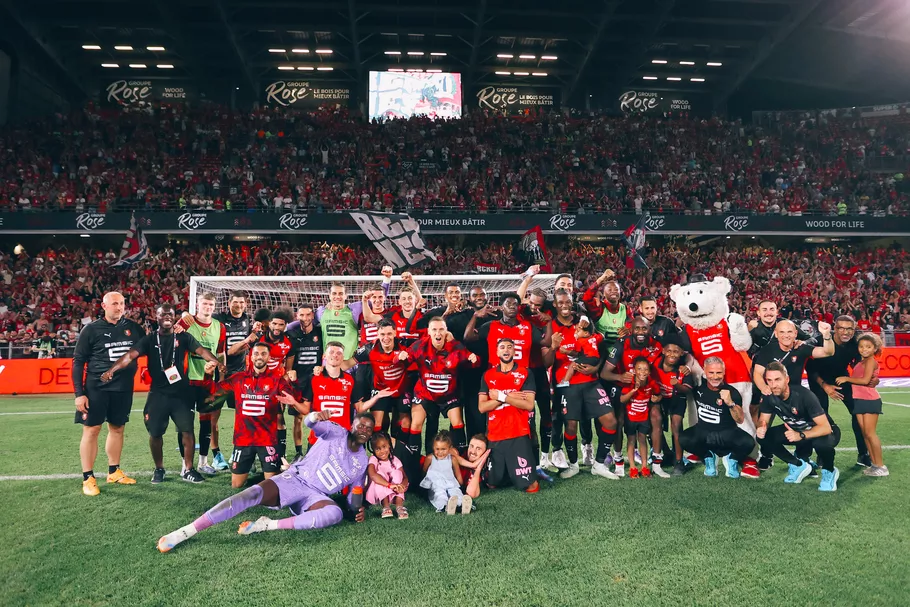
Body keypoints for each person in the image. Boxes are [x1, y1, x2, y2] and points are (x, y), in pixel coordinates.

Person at [157, 410, 375, 553]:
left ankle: (267, 524)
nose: (364, 430)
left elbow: (354, 492)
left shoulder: (362, 461)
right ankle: (187, 531)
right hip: (295, 479)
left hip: (315, 497)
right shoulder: (336, 431)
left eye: (369, 428)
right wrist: (316, 416)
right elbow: (310, 422)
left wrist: (356, 509)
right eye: (361, 426)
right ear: (352, 425)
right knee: (251, 494)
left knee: (334, 514)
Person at [101, 304, 224, 484]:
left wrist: (217, 362)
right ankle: (159, 469)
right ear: (156, 317)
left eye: (170, 314)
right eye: (162, 314)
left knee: (187, 431)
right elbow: (129, 356)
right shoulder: (149, 339)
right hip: (158, 394)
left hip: (181, 394)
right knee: (155, 433)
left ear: (174, 318)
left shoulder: (183, 336)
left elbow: (202, 351)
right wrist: (112, 370)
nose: (167, 317)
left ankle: (189, 469)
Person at [72, 291, 146, 496]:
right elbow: (78, 362)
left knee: (117, 428)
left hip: (123, 389)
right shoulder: (91, 329)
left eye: (122, 303)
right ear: (104, 306)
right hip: (96, 389)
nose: (119, 307)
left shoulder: (133, 328)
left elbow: (152, 344)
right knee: (92, 430)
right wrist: (79, 394)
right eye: (114, 304)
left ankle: (114, 471)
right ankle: (88, 478)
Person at [203, 342, 299, 488]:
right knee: (236, 485)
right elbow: (214, 391)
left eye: (263, 354)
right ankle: (260, 479)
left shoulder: (277, 380)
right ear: (251, 357)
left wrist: (294, 382)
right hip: (243, 439)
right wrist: (208, 375)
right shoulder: (239, 378)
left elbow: (295, 399)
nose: (259, 357)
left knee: (272, 485)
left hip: (267, 440)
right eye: (256, 354)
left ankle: (266, 477)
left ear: (269, 357)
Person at [546, 290, 619, 480]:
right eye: (560, 302)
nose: (565, 305)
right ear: (555, 305)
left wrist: (596, 368)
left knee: (610, 421)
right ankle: (573, 465)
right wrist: (554, 347)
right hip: (568, 385)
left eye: (568, 302)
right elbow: (546, 359)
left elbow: (602, 350)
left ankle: (599, 464)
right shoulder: (551, 326)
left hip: (592, 382)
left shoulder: (584, 323)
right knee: (571, 426)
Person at [752, 319, 834, 470]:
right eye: (782, 332)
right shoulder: (768, 350)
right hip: (773, 394)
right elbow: (757, 373)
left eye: (790, 332)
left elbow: (827, 351)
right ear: (776, 334)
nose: (786, 335)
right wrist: (764, 388)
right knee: (764, 428)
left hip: (795, 396)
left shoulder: (801, 348)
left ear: (796, 333)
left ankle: (803, 458)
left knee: (803, 425)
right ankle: (768, 456)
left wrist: (827, 335)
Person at [757, 362, 841, 491]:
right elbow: (763, 419)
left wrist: (800, 435)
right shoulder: (769, 396)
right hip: (798, 430)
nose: (773, 385)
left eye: (777, 379)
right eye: (769, 380)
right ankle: (798, 465)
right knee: (763, 437)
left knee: (821, 444)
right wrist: (762, 427)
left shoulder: (804, 395)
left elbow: (825, 428)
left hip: (824, 431)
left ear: (787, 379)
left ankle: (829, 471)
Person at [400, 317, 479, 455]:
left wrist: (474, 359)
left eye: (441, 329)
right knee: (416, 423)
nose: (438, 333)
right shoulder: (420, 346)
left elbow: (474, 362)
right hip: (425, 394)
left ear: (446, 331)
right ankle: (414, 461)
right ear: (428, 331)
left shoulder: (455, 347)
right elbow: (403, 360)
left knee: (458, 423)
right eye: (434, 329)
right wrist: (401, 356)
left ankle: (460, 457)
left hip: (449, 395)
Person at [806, 316, 874, 467]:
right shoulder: (820, 340)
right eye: (841, 328)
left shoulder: (856, 343)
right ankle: (822, 455)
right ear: (834, 329)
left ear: (854, 330)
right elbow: (810, 369)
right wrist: (825, 386)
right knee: (821, 417)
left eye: (849, 329)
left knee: (858, 412)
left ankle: (863, 454)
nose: (845, 332)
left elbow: (862, 363)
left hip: (841, 378)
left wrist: (871, 378)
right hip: (818, 381)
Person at [600, 316, 662, 473]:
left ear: (650, 329)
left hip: (646, 390)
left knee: (656, 416)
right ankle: (619, 460)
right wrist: (620, 377)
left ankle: (656, 463)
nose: (641, 332)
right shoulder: (621, 344)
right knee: (619, 420)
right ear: (631, 330)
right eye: (637, 328)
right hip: (624, 389)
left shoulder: (656, 345)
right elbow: (604, 373)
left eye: (644, 328)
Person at [477, 338, 540, 493]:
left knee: (531, 487)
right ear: (497, 352)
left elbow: (529, 405)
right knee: (492, 484)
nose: (506, 350)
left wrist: (502, 396)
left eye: (509, 347)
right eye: (502, 347)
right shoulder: (488, 375)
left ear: (514, 351)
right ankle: (508, 472)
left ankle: (515, 471)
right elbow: (482, 407)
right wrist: (508, 397)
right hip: (495, 434)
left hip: (518, 433)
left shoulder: (525, 373)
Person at [679, 357, 755, 479]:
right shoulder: (698, 387)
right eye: (711, 372)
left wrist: (730, 403)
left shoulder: (732, 392)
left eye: (719, 372)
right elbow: (684, 373)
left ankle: (731, 459)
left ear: (724, 372)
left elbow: (740, 420)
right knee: (683, 438)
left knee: (748, 443)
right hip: (703, 431)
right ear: (704, 371)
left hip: (727, 433)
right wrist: (682, 368)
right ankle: (708, 456)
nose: (715, 377)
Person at [178, 292, 227, 475]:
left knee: (206, 423)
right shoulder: (187, 322)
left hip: (207, 382)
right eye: (204, 303)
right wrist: (183, 316)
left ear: (214, 307)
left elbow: (220, 353)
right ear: (197, 305)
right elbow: (171, 336)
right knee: (185, 424)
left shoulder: (219, 327)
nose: (207, 307)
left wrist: (221, 376)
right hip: (187, 381)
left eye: (211, 304)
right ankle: (185, 464)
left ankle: (203, 463)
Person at [836, 333, 887, 477]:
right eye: (861, 346)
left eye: (868, 347)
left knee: (870, 434)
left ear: (874, 348)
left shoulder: (870, 361)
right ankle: (874, 465)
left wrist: (846, 378)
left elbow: (865, 381)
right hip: (858, 399)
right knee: (865, 434)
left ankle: (881, 466)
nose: (864, 349)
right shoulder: (861, 362)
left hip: (869, 400)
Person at [213, 290, 254, 471]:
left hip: (241, 376)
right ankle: (216, 454)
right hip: (219, 375)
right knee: (213, 416)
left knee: (243, 417)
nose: (238, 305)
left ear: (246, 304)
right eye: (235, 302)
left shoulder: (247, 320)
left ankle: (240, 451)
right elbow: (227, 352)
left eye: (241, 302)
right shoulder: (219, 319)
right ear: (229, 303)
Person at [351, 319, 410, 436]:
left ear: (395, 333)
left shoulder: (405, 344)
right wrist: (325, 367)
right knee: (377, 423)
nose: (386, 338)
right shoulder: (369, 349)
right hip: (380, 389)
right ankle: (378, 446)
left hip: (401, 389)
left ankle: (401, 446)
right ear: (377, 334)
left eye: (389, 334)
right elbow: (347, 363)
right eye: (382, 334)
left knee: (405, 422)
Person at [651, 335, 695, 476]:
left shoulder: (683, 370)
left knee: (676, 425)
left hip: (677, 398)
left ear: (681, 353)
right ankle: (665, 454)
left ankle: (679, 461)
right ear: (663, 351)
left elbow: (687, 390)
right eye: (669, 351)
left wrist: (677, 385)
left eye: (676, 352)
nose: (672, 354)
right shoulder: (654, 364)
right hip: (660, 398)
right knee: (653, 422)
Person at [286, 304, 323, 461]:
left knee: (319, 415)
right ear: (297, 316)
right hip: (299, 382)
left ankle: (317, 449)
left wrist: (322, 367)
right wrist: (289, 372)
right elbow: (288, 357)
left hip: (317, 381)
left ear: (313, 316)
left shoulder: (320, 332)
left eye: (308, 315)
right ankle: (299, 452)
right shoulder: (291, 334)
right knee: (298, 418)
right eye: (302, 315)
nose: (305, 318)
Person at [619, 358, 662, 478]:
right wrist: (633, 391)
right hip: (631, 417)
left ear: (649, 372)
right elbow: (622, 399)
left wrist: (657, 399)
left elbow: (659, 395)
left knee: (642, 440)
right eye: (639, 369)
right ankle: (632, 467)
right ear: (634, 370)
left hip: (643, 417)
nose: (642, 372)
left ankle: (644, 467)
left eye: (645, 369)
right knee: (631, 441)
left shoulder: (651, 383)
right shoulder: (630, 382)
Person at [420, 431, 471, 515]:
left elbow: (457, 474)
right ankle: (444, 506)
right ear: (433, 447)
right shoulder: (430, 458)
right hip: (436, 484)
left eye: (443, 449)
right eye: (437, 449)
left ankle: (461, 504)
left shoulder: (452, 459)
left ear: (449, 448)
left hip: (450, 482)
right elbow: (424, 471)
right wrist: (424, 486)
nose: (440, 452)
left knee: (455, 491)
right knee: (440, 494)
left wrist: (462, 486)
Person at [365, 433, 409, 519]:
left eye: (384, 447)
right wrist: (389, 485)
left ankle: (399, 506)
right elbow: (373, 475)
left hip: (393, 493)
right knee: (380, 474)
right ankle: (386, 507)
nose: (382, 451)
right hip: (377, 493)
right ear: (373, 450)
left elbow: (404, 477)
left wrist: (402, 486)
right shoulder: (374, 459)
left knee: (397, 473)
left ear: (389, 445)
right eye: (378, 449)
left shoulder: (394, 459)